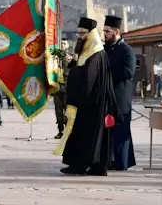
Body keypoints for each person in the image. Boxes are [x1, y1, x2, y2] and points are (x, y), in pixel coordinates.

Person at [54, 17, 118, 176]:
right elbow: (83, 69)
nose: (79, 36)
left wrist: (73, 73)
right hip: (91, 101)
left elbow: (87, 78)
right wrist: (72, 64)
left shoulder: (95, 52)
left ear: (91, 34)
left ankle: (79, 166)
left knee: (85, 135)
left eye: (82, 33)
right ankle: (94, 166)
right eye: (78, 33)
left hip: (91, 103)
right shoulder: (91, 50)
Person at [103, 15, 137, 171]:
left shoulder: (126, 50)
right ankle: (110, 159)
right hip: (107, 96)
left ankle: (122, 162)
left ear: (116, 32)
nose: (105, 34)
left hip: (121, 96)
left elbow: (128, 71)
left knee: (121, 129)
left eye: (107, 31)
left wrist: (108, 76)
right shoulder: (106, 49)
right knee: (109, 129)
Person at [52, 38, 73, 139]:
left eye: (64, 44)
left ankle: (68, 130)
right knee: (58, 110)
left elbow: (75, 64)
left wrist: (67, 58)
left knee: (67, 110)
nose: (62, 46)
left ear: (68, 45)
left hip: (67, 86)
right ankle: (60, 130)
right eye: (61, 44)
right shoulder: (55, 56)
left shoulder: (70, 55)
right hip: (57, 86)